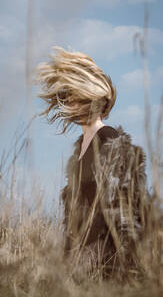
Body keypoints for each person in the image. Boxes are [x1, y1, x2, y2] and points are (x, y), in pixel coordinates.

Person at [34, 46, 149, 278]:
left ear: (89, 98)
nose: (67, 100)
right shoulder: (81, 145)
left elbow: (126, 218)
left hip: (107, 269)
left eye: (72, 94)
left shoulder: (110, 140)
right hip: (80, 267)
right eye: (66, 94)